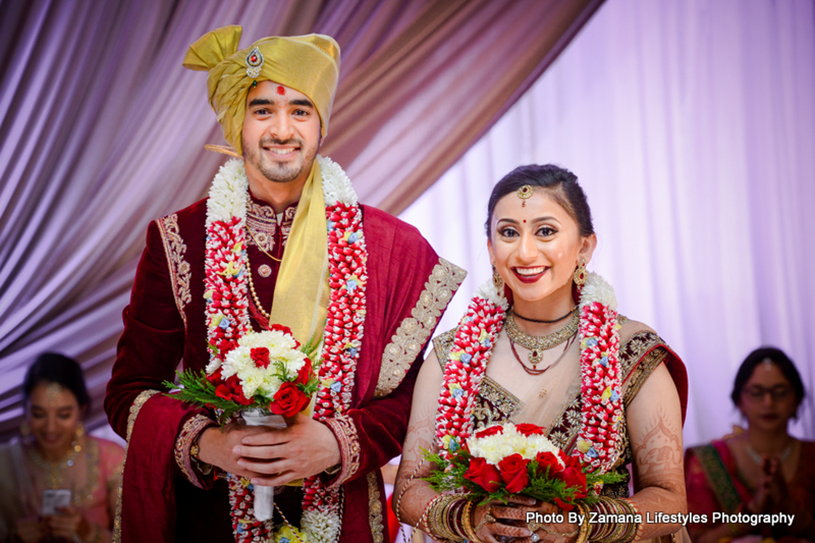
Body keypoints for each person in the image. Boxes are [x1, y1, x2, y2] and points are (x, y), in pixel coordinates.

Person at [103, 26, 465, 543]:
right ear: (238, 121)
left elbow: (415, 397)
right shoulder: (179, 239)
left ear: (321, 125)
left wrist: (338, 441)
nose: (282, 129)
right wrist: (208, 443)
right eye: (263, 110)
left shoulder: (391, 247)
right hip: (210, 523)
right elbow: (128, 392)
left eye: (300, 110)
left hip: (341, 519)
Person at [394, 164, 689, 543]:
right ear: (490, 248)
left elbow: (669, 498)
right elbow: (408, 490)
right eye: (508, 233)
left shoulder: (628, 352)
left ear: (585, 246)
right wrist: (469, 517)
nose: (525, 251)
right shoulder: (452, 357)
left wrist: (579, 525)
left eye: (545, 231)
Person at [685, 347, 815, 543]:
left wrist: (789, 506)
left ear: (796, 398)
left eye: (779, 392)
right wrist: (752, 511)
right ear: (739, 400)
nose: (768, 402)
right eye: (756, 392)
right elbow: (691, 540)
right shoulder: (706, 461)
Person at [0, 353, 124, 543]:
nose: (50, 427)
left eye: (64, 415)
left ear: (81, 410)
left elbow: (134, 537)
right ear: (25, 409)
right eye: (39, 414)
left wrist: (88, 533)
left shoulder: (110, 458)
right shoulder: (5, 462)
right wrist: (12, 539)